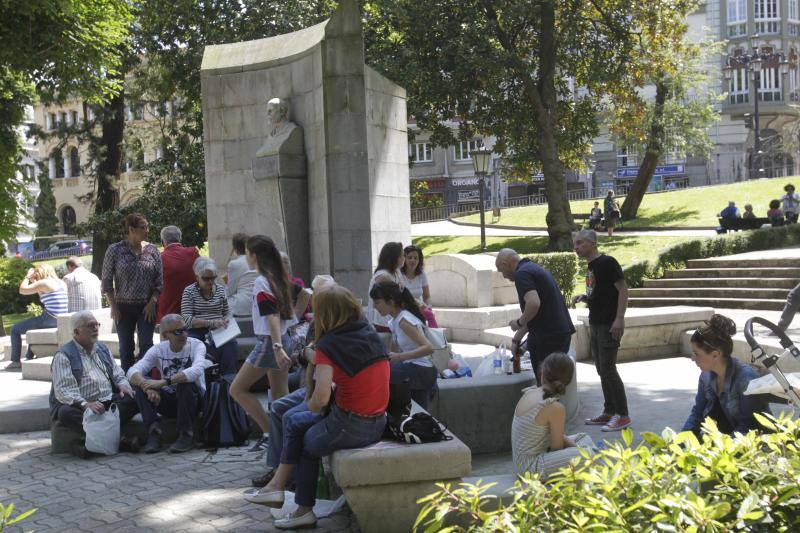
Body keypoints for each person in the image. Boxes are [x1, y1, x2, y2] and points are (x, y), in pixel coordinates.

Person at [249, 285, 389, 530]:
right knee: (295, 422)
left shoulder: (330, 344)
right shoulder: (367, 331)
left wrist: (310, 406)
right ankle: (279, 489)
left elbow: (321, 398)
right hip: (377, 420)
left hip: (351, 425)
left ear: (327, 313)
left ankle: (297, 505)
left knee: (305, 439)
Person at [249, 275, 337, 490]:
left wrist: (307, 355)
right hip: (311, 382)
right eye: (319, 296)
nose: (320, 301)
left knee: (292, 416)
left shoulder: (339, 322)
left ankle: (287, 477)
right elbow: (308, 356)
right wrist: (304, 354)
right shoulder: (317, 321)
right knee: (279, 405)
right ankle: (278, 469)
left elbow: (321, 362)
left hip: (328, 390)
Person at [229, 235, 297, 453]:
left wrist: (276, 347)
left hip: (271, 342)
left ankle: (270, 433)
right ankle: (286, 438)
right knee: (280, 393)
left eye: (247, 253)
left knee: (237, 389)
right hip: (280, 339)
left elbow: (272, 316)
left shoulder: (262, 281)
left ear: (254, 255)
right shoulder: (278, 277)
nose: (246, 257)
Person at [49, 311, 139, 457]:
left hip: (108, 401)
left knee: (134, 397)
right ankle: (120, 441)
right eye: (90, 326)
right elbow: (63, 391)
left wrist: (123, 385)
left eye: (96, 324)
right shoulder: (64, 356)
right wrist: (86, 404)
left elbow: (117, 373)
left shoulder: (102, 348)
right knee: (65, 413)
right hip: (83, 407)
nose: (96, 328)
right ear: (76, 332)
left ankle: (88, 443)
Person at [571, 230, 631, 432]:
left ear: (592, 243)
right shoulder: (592, 266)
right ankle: (609, 410)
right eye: (575, 244)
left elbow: (622, 289)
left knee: (609, 369)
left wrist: (619, 318)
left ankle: (622, 415)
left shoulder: (608, 262)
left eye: (580, 243)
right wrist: (584, 297)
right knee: (601, 369)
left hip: (608, 324)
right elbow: (601, 292)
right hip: (596, 323)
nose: (576, 247)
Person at [127, 314, 207, 453]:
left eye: (185, 329)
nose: (184, 334)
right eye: (178, 331)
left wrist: (163, 382)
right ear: (165, 335)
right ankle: (154, 433)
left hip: (194, 400)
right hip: (170, 402)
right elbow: (132, 371)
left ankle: (186, 434)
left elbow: (197, 370)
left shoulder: (197, 345)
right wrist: (147, 387)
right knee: (138, 385)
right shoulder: (158, 349)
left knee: (185, 383)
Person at [495, 248, 575, 384]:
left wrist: (518, 322)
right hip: (559, 334)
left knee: (546, 386)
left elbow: (533, 304)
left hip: (547, 338)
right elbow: (536, 313)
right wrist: (517, 339)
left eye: (501, 271)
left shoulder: (522, 274)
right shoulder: (533, 268)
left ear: (505, 264)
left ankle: (548, 406)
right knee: (555, 384)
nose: (504, 276)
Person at [511, 352, 594, 480]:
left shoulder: (530, 393)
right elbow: (557, 449)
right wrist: (581, 451)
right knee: (588, 454)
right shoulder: (555, 408)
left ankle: (592, 456)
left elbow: (555, 438)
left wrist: (577, 448)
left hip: (522, 463)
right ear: (567, 382)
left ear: (542, 373)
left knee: (583, 437)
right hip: (529, 469)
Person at [682, 314, 769, 436]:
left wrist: (719, 451)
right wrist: (680, 442)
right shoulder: (705, 376)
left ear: (715, 355)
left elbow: (749, 427)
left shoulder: (746, 379)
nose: (692, 358)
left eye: (696, 354)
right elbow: (697, 414)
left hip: (754, 444)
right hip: (726, 439)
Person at [102, 213, 163, 372]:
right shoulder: (115, 250)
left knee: (146, 345)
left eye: (147, 227)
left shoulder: (152, 250)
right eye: (143, 227)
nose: (147, 230)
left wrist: (153, 302)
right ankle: (128, 383)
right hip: (123, 308)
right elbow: (107, 281)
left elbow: (159, 280)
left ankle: (146, 381)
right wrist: (113, 307)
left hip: (147, 307)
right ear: (131, 229)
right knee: (125, 347)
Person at [370, 281, 436, 408]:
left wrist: (399, 357)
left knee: (379, 377)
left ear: (391, 302)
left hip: (421, 370)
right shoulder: (395, 320)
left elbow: (429, 348)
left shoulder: (404, 320)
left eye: (377, 302)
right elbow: (393, 349)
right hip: (413, 369)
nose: (374, 306)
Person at [181, 257, 238, 376]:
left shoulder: (221, 290)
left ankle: (228, 380)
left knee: (231, 344)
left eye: (213, 278)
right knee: (191, 343)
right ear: (197, 277)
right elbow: (187, 319)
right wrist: (211, 322)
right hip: (197, 330)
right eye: (206, 279)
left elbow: (226, 312)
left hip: (219, 330)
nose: (210, 282)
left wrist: (226, 321)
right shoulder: (189, 292)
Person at [7, 265, 68, 370]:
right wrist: (34, 281)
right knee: (33, 327)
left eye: (37, 274)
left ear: (42, 273)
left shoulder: (44, 283)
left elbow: (22, 290)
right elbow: (42, 294)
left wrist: (27, 277)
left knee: (15, 330)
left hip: (50, 317)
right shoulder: (61, 283)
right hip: (60, 319)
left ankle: (15, 361)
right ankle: (29, 356)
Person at [156, 225, 200, 324]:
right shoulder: (193, 253)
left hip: (168, 313)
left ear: (163, 241)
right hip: (193, 311)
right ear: (180, 238)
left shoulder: (159, 258)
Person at [364, 242, 405, 332]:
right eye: (402, 256)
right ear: (394, 258)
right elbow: (388, 301)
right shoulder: (383, 276)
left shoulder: (397, 272)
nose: (403, 258)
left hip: (393, 317)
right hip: (383, 321)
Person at [400, 245, 438, 327]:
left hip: (420, 308)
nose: (413, 260)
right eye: (409, 257)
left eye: (415, 258)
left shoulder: (422, 274)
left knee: (430, 315)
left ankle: (437, 337)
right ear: (404, 259)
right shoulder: (399, 275)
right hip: (404, 310)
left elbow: (427, 296)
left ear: (419, 260)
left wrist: (428, 309)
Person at [226, 232, 259, 317]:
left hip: (244, 306)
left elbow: (230, 291)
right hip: (261, 303)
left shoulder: (235, 264)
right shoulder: (259, 259)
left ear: (235, 250)